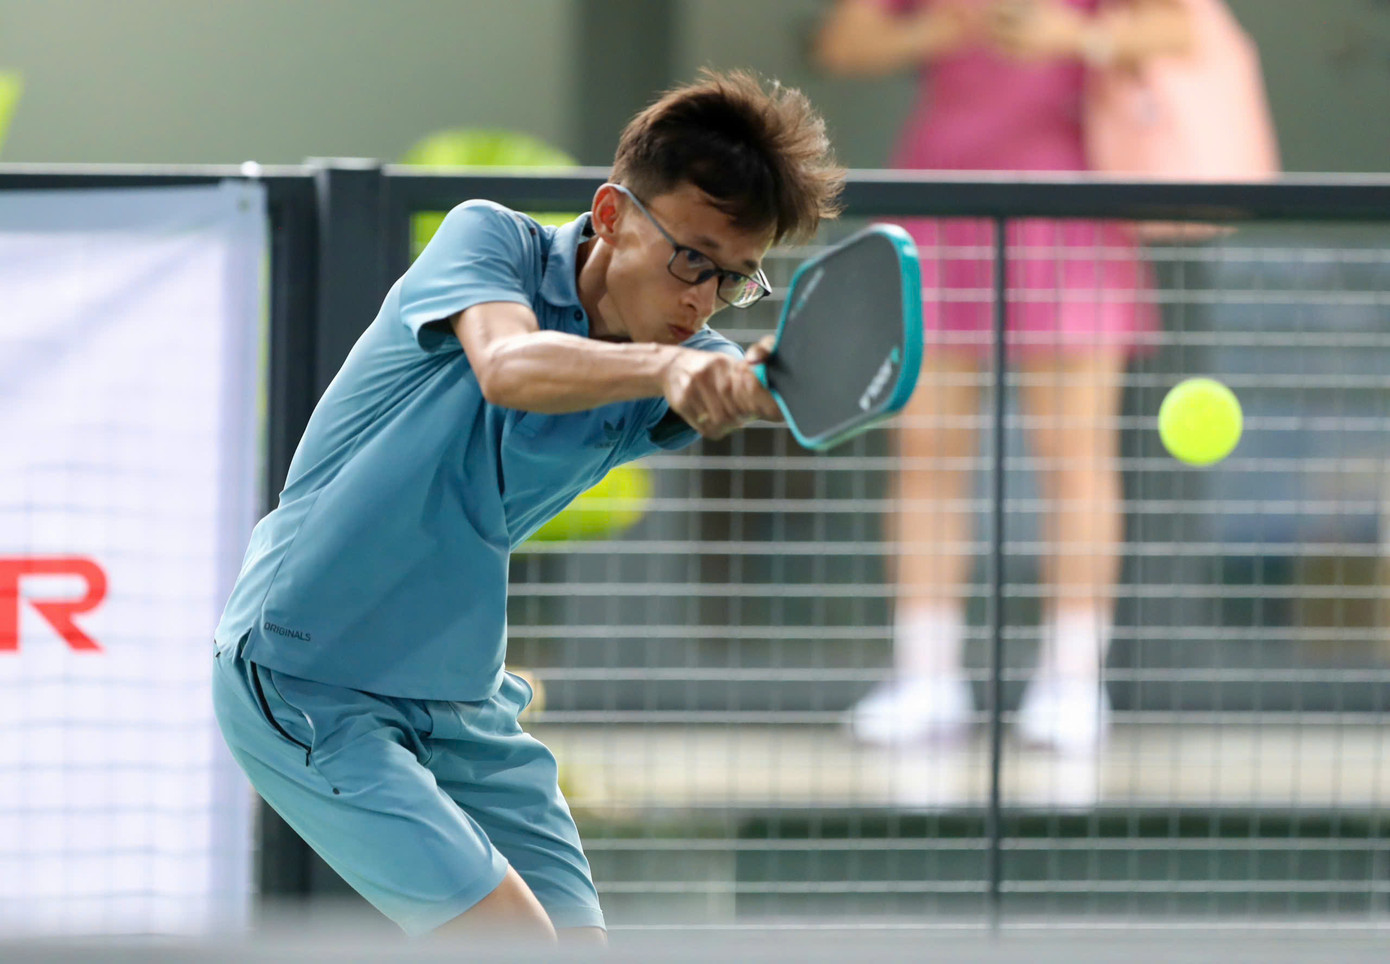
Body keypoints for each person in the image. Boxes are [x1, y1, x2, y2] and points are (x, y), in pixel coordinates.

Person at [211, 70, 844, 942]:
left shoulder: (680, 360)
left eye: (733, 281)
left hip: (460, 698)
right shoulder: (491, 242)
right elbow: (509, 367)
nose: (702, 299)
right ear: (613, 214)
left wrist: (758, 385)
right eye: (691, 259)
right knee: (510, 944)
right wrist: (672, 368)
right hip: (306, 671)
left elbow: (729, 382)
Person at [815, 0, 1191, 754]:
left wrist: (1072, 36)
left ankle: (1072, 680)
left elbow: (1179, 28)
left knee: (1075, 454)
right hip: (939, 193)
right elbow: (844, 42)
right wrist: (939, 30)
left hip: (1072, 199)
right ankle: (925, 677)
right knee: (925, 451)